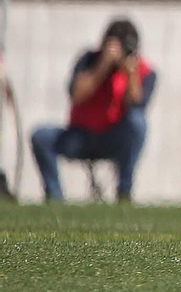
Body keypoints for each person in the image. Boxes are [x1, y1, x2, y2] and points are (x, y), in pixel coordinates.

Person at [31, 18, 157, 202]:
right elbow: (76, 94)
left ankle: (124, 193)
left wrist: (130, 74)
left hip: (113, 138)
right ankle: (55, 198)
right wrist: (103, 65)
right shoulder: (89, 60)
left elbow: (137, 104)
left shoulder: (144, 71)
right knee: (41, 137)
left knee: (138, 123)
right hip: (80, 137)